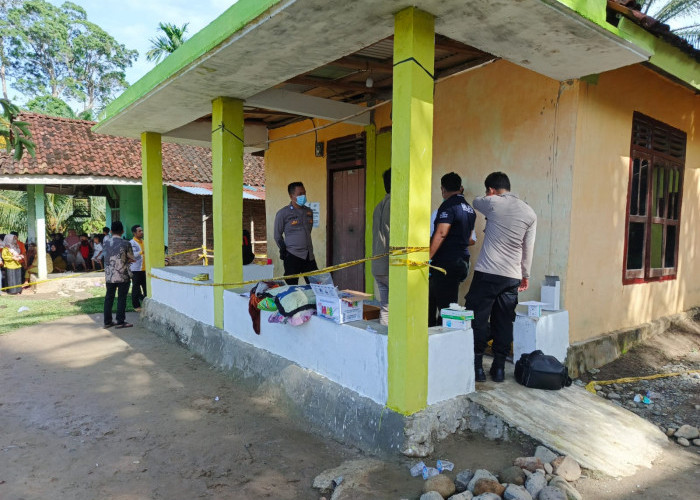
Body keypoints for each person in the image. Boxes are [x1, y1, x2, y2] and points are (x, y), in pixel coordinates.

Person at [465, 172, 537, 383]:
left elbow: (476, 201)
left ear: (491, 190)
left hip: (487, 272)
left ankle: (477, 367)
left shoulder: (493, 203)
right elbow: (528, 248)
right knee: (504, 321)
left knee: (478, 318)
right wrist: (526, 275)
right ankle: (498, 369)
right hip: (512, 276)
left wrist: (490, 196)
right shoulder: (530, 213)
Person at [428, 172, 477, 326]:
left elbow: (441, 233)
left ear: (443, 189)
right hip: (461, 261)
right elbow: (470, 238)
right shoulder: (469, 209)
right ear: (459, 187)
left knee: (444, 307)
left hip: (446, 262)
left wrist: (427, 257)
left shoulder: (449, 206)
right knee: (443, 299)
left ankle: (441, 339)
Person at [274, 181, 317, 285]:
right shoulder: (283, 213)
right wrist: (284, 250)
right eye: (300, 194)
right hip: (292, 256)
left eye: (304, 193)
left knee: (316, 285)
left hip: (309, 256)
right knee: (291, 287)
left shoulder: (309, 212)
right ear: (291, 196)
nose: (303, 196)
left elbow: (308, 231)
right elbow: (277, 235)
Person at [103, 221, 135, 328]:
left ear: (111, 231)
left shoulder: (105, 243)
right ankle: (120, 321)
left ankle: (107, 322)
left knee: (109, 298)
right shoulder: (126, 243)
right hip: (123, 275)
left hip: (109, 275)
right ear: (122, 231)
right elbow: (132, 258)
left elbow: (105, 257)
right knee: (122, 298)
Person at [371, 169, 391, 326]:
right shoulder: (396, 205)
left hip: (377, 265)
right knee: (396, 306)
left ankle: (384, 341)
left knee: (385, 306)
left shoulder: (378, 205)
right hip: (391, 265)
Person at [129, 224, 147, 311]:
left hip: (145, 269)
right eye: (139, 231)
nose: (142, 232)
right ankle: (136, 306)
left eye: (142, 230)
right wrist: (141, 252)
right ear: (134, 233)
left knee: (146, 287)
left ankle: (146, 304)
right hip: (136, 269)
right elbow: (132, 255)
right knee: (136, 288)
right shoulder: (131, 243)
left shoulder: (144, 241)